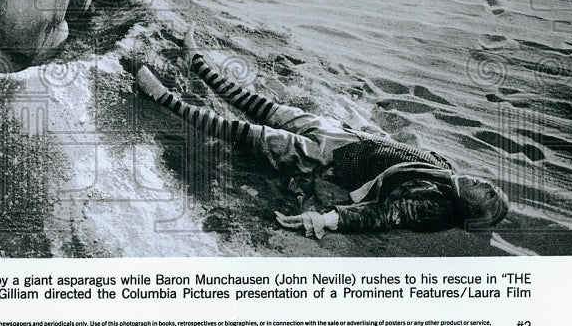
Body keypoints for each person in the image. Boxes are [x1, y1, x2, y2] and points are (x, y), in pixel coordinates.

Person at [132, 27, 509, 238]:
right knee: (260, 104)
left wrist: (326, 220)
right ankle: (198, 62)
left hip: (326, 159)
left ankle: (165, 99)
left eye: (488, 193)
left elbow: (384, 215)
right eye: (491, 184)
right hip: (345, 138)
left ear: (471, 209)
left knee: (243, 131)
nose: (486, 183)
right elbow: (400, 154)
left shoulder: (435, 207)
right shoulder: (447, 171)